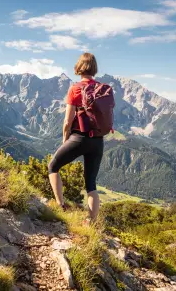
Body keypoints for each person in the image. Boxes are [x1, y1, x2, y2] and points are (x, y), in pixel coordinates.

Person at [48, 52, 108, 224]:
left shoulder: (75, 88)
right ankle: (91, 223)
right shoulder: (103, 90)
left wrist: (65, 139)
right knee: (91, 184)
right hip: (98, 141)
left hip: (79, 138)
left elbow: (67, 121)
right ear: (94, 68)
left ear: (79, 67)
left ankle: (60, 205)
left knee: (53, 166)